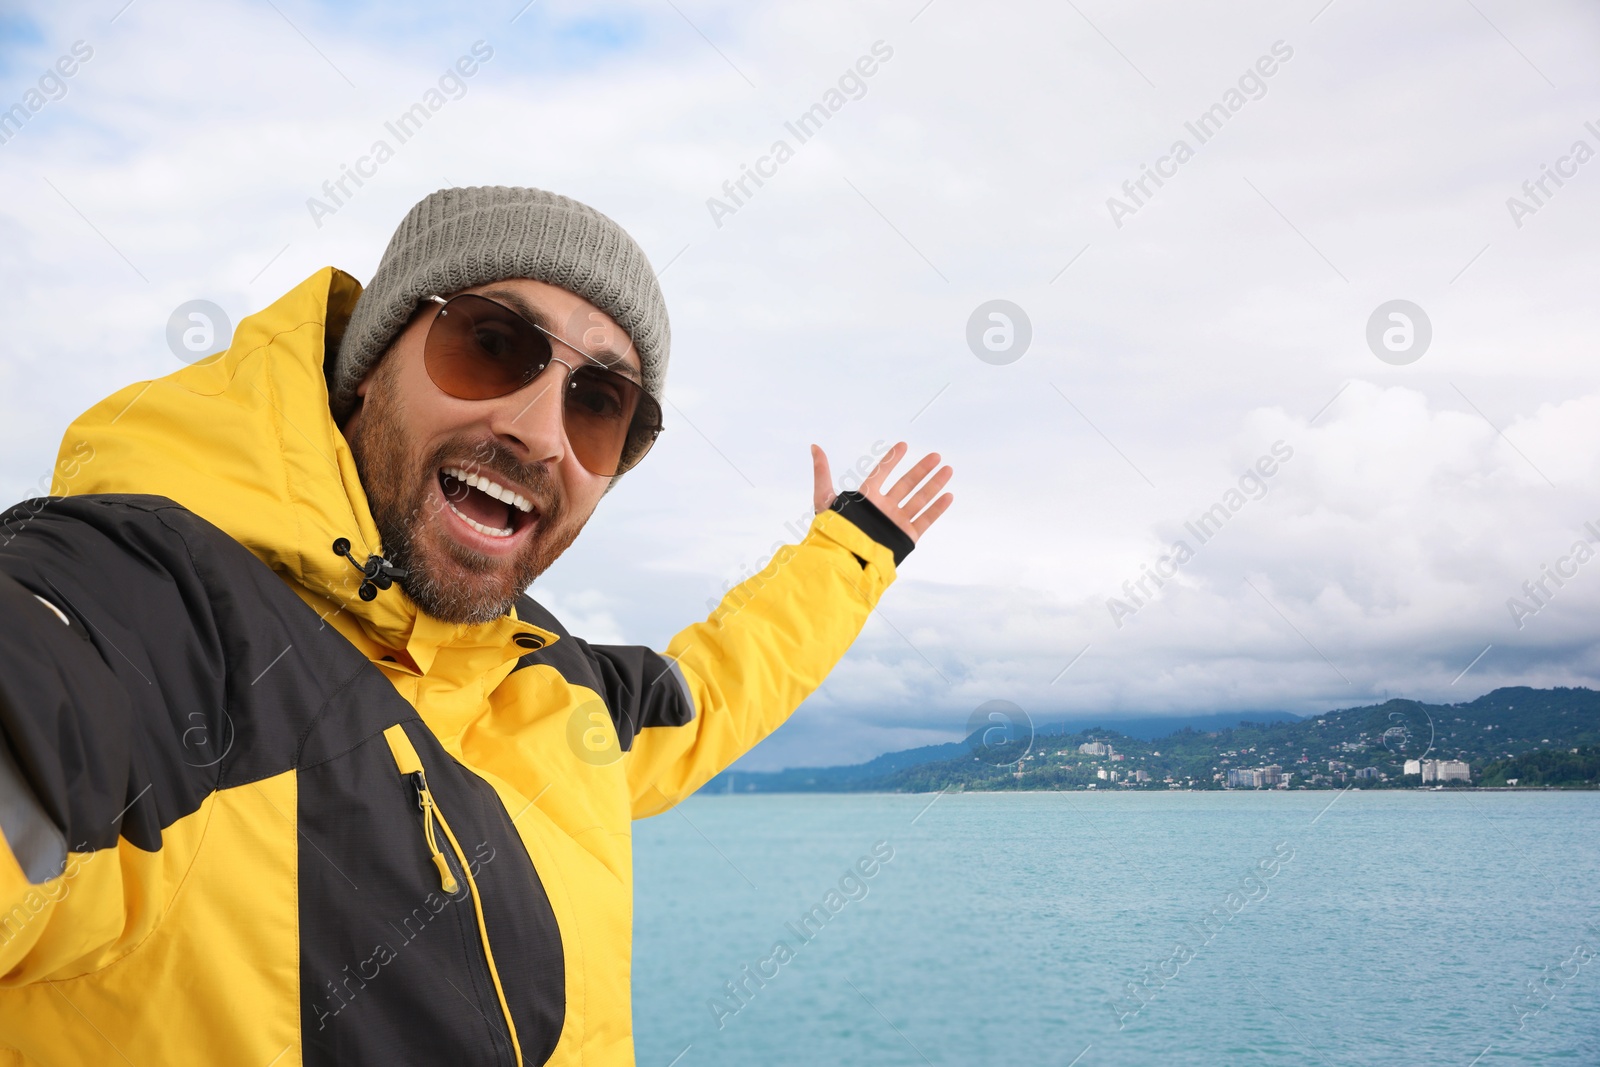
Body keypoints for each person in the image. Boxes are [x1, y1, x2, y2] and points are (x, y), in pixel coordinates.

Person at [0, 185, 953, 1065]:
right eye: (493, 345)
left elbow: (709, 694)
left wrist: (848, 553)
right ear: (367, 364)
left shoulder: (544, 688)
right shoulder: (152, 613)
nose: (540, 431)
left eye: (600, 404)